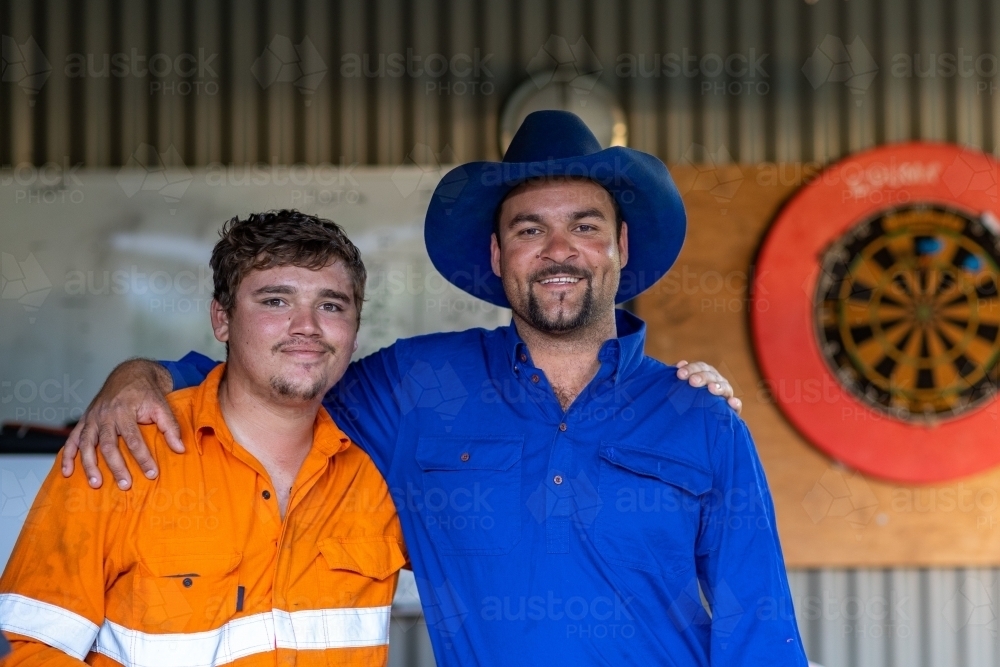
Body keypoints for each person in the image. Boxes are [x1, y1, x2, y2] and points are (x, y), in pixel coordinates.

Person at [62, 111, 806, 665]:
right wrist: (144, 374)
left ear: (620, 246)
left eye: (584, 225)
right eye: (527, 229)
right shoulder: (417, 386)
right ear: (496, 253)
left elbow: (760, 630)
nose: (557, 251)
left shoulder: (701, 420)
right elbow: (278, 381)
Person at [0, 212, 407, 666]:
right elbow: (29, 648)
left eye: (332, 305)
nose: (307, 326)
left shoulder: (382, 467)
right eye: (275, 301)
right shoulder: (124, 452)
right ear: (222, 319)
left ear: (355, 331)